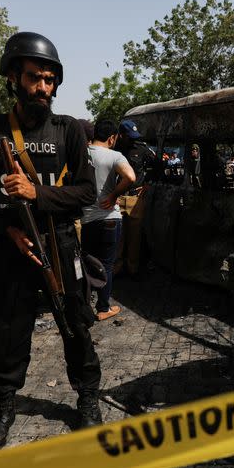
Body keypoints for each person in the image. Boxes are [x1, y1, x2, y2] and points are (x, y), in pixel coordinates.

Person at [0, 31, 102, 450]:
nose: (42, 87)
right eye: (33, 78)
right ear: (13, 78)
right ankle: (4, 404)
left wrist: (37, 194)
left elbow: (86, 193)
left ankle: (88, 398)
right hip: (12, 247)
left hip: (59, 245)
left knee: (75, 322)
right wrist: (7, 230)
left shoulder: (69, 131)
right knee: (8, 329)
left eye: (49, 79)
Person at [82, 119, 135, 320]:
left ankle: (84, 305)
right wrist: (112, 195)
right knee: (106, 265)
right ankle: (103, 308)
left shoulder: (81, 154)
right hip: (109, 219)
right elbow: (130, 177)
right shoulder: (114, 156)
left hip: (87, 219)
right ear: (112, 138)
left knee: (87, 263)